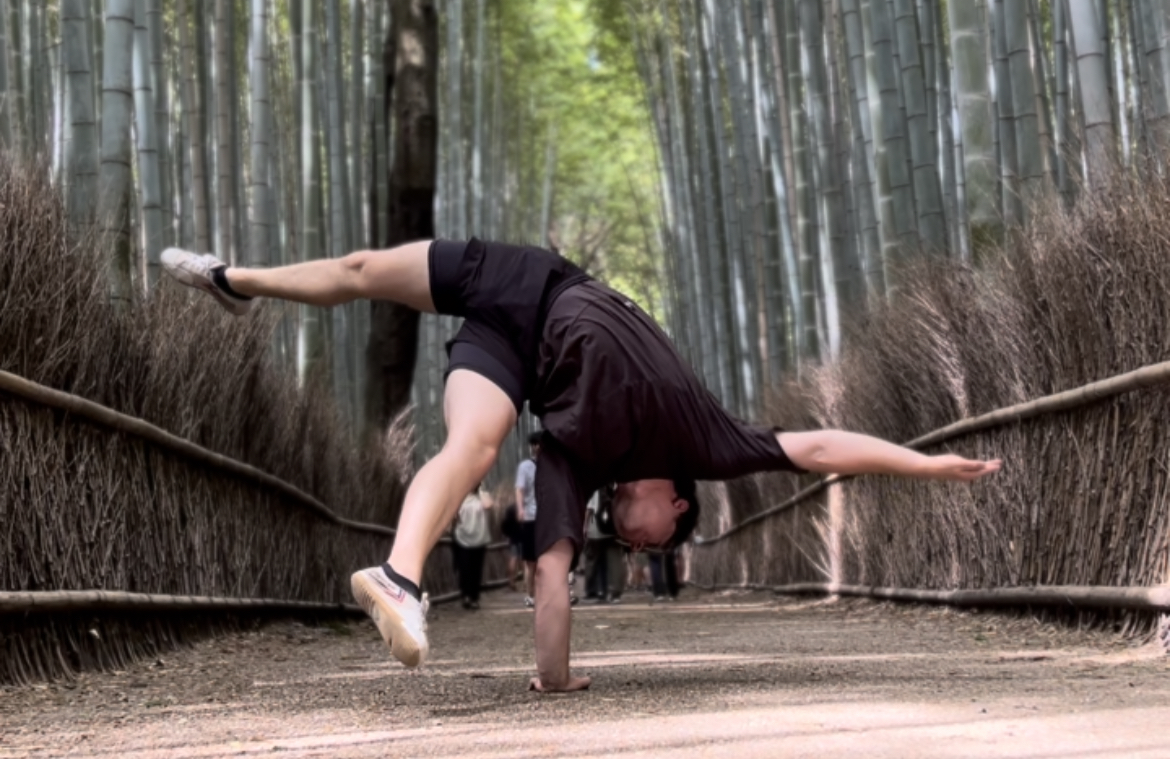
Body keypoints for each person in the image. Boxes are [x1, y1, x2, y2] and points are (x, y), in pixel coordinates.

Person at [161, 237, 1002, 689]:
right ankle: (235, 278)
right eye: (648, 543)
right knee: (359, 271)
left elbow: (553, 581)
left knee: (471, 447)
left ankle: (400, 579)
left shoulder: (571, 462)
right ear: (678, 506)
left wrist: (555, 683)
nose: (630, 544)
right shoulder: (704, 441)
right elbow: (817, 448)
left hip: (510, 359)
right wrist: (925, 466)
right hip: (529, 281)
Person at [452, 486, 492, 608]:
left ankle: (474, 598)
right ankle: (466, 596)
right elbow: (453, 515)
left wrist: (480, 491)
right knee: (464, 569)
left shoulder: (482, 497)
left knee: (476, 569)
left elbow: (488, 505)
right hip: (462, 537)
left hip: (479, 538)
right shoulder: (459, 496)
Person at [514, 432, 541, 606]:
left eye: (539, 444)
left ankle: (543, 594)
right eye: (534, 444)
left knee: (545, 560)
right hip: (531, 517)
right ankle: (530, 595)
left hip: (547, 519)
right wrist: (520, 509)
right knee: (531, 561)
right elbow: (520, 488)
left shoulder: (552, 466)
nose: (537, 447)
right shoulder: (525, 466)